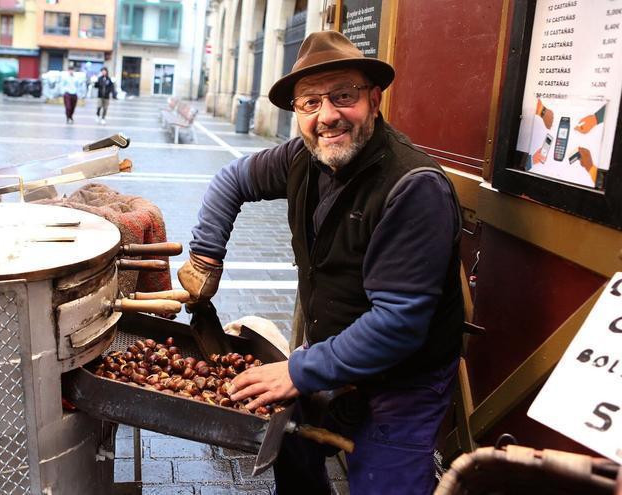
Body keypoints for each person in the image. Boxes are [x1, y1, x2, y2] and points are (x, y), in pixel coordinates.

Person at [177, 31, 464, 494]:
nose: (327, 115)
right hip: (332, 351)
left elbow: (398, 324)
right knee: (292, 451)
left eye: (343, 96)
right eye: (310, 102)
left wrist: (296, 371)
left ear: (374, 100)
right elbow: (231, 179)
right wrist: (205, 256)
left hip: (403, 380)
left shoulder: (413, 188)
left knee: (382, 482)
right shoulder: (302, 157)